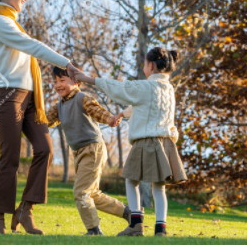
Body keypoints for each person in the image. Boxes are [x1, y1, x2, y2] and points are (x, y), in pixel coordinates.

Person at [0, 0, 79, 235]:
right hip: (8, 95)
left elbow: (28, 46)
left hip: (31, 97)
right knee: (9, 157)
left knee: (45, 149)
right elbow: (31, 45)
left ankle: (26, 210)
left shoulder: (11, 20)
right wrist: (66, 64)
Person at [75, 47, 187, 237]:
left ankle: (136, 224)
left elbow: (118, 89)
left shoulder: (145, 87)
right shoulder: (168, 89)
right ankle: (161, 229)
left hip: (146, 142)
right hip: (165, 142)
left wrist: (87, 79)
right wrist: (122, 113)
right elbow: (144, 106)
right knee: (158, 187)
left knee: (131, 180)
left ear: (150, 65)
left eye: (145, 63)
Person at [47, 66, 131, 235]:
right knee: (91, 193)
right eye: (55, 82)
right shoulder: (59, 106)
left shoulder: (82, 98)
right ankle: (129, 213)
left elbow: (96, 110)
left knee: (81, 192)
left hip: (93, 149)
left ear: (76, 82)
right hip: (78, 152)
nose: (58, 85)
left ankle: (93, 230)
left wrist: (109, 119)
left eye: (62, 80)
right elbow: (44, 121)